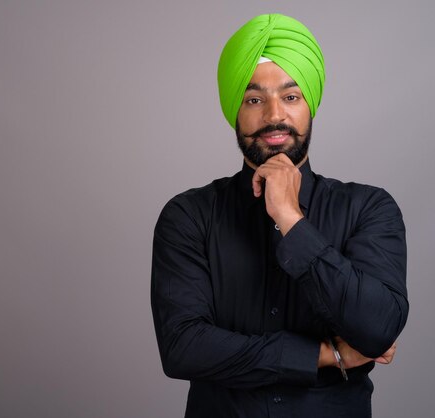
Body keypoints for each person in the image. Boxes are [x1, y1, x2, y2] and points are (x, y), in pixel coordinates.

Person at [150, 13, 408, 417]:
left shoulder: (369, 208)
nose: (274, 116)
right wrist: (324, 355)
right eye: (254, 99)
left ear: (311, 105)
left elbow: (377, 331)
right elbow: (183, 348)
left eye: (290, 97)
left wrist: (291, 220)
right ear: (234, 109)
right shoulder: (189, 216)